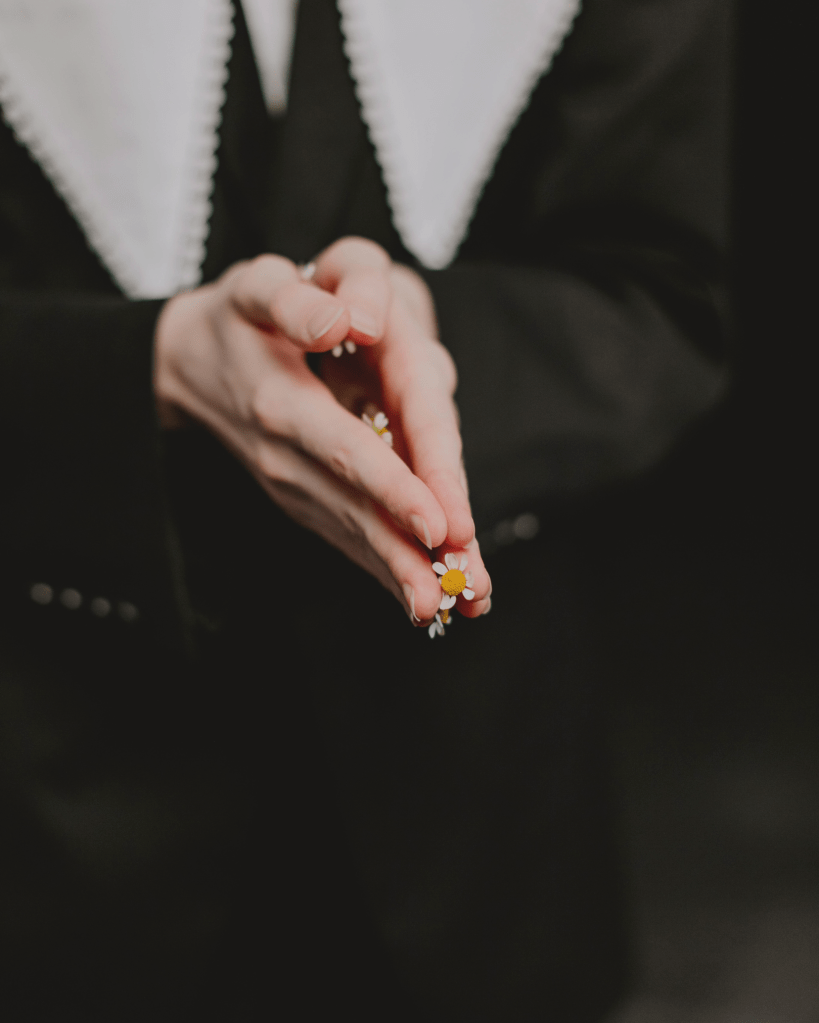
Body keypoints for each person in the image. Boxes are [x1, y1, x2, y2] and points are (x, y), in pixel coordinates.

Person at [0, 0, 732, 1019]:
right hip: (60, 828)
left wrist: (422, 339)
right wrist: (154, 367)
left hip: (477, 817)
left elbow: (663, 297)